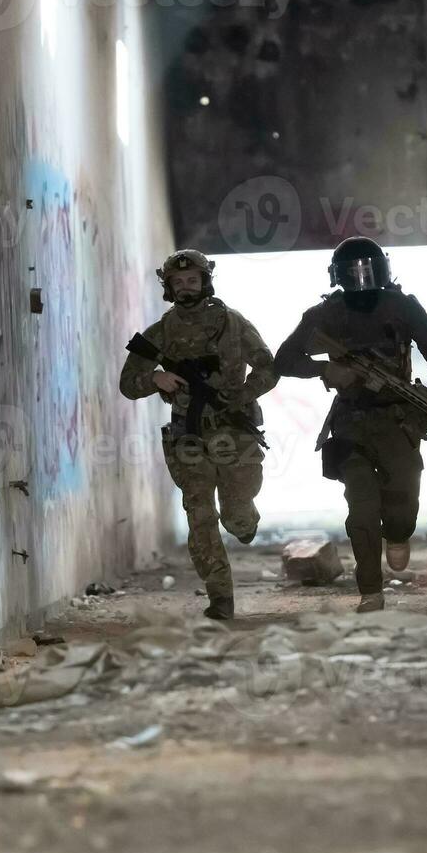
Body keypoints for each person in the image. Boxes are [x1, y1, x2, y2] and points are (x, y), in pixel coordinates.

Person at [274, 236, 427, 613]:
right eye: (353, 272)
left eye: (369, 270)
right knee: (361, 507)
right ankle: (370, 590)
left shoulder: (400, 306)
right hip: (350, 422)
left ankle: (398, 534)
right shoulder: (326, 314)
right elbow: (285, 359)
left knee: (403, 500)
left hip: (397, 418)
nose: (362, 279)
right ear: (338, 276)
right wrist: (327, 369)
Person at [119, 249, 278, 620]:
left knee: (237, 515)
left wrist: (241, 394)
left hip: (235, 432)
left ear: (205, 281)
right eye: (178, 282)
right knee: (199, 512)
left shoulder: (232, 322)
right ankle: (220, 596)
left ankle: (243, 520)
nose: (186, 288)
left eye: (192, 281)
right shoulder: (161, 332)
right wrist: (155, 378)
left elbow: (269, 367)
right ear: (169, 287)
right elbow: (128, 383)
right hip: (188, 435)